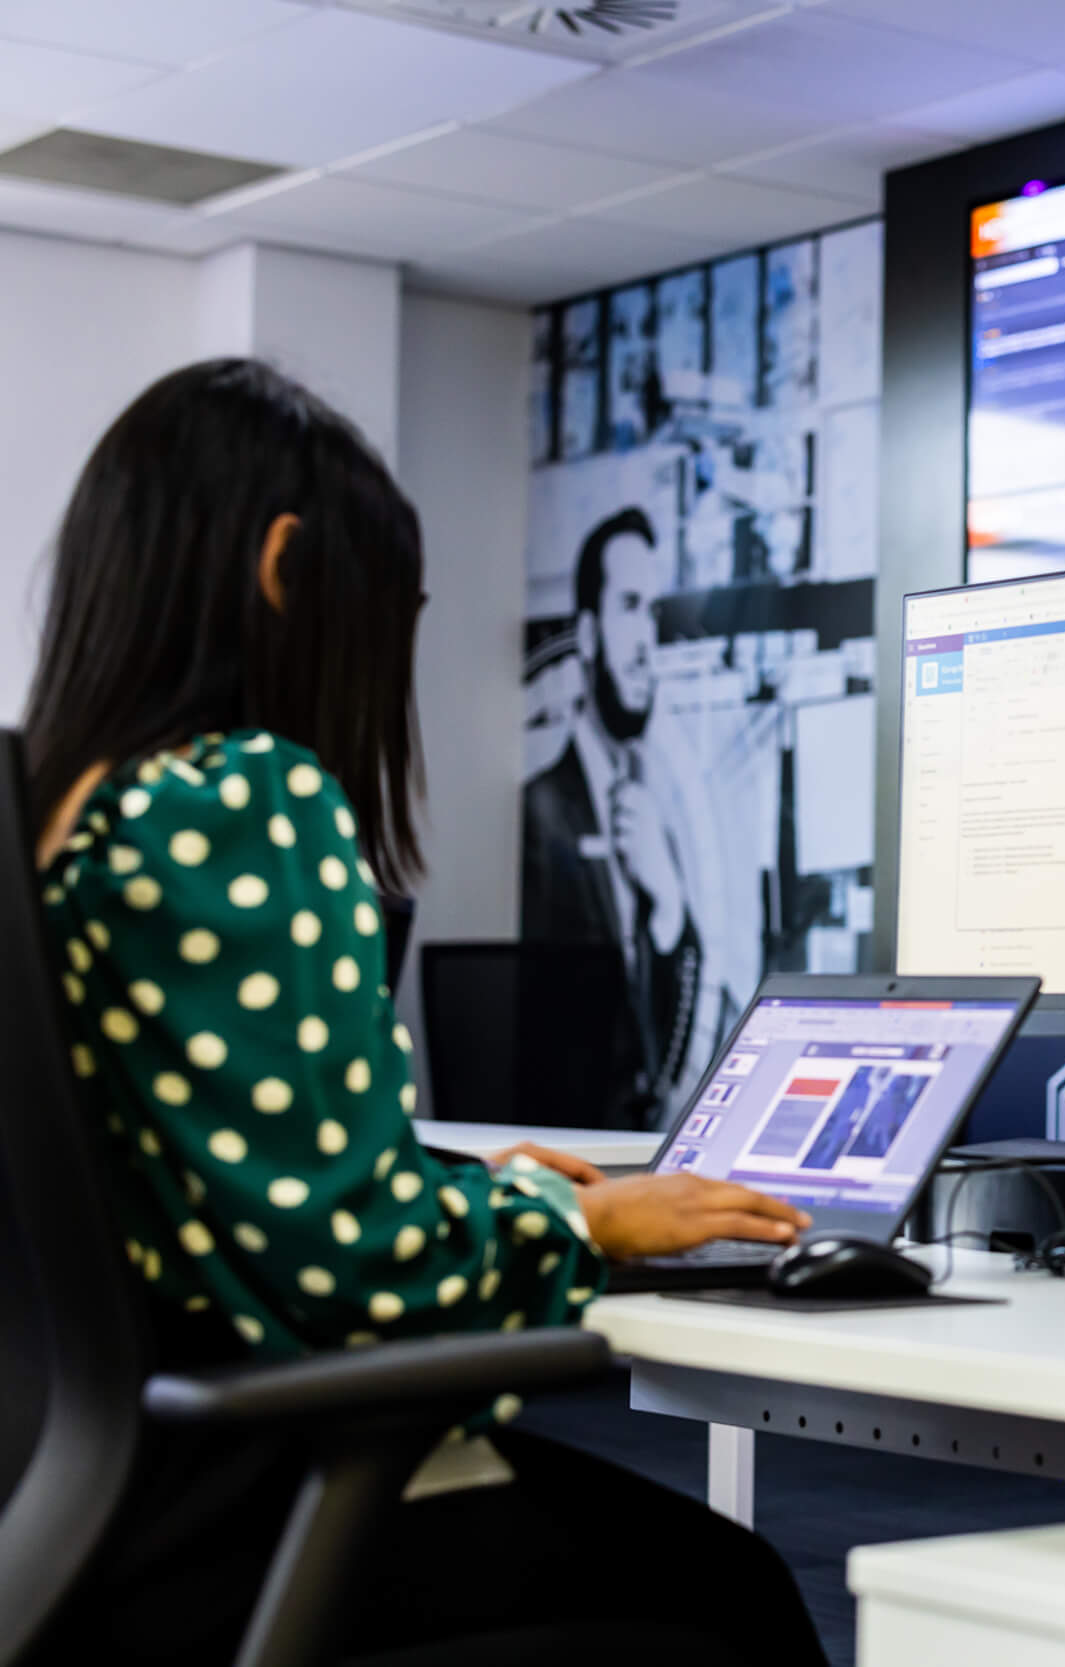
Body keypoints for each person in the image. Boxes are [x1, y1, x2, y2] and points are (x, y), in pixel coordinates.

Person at [21, 359, 829, 1665]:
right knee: (738, 1595)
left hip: (86, 1529)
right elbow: (362, 1268)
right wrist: (585, 1213)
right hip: (249, 1511)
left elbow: (211, 1188)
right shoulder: (238, 800)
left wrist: (453, 1176)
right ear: (288, 567)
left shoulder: (65, 818)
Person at [522, 506, 706, 1124]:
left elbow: (660, 1051)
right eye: (629, 606)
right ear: (590, 632)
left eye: (653, 611)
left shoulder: (652, 819)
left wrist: (669, 908)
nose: (646, 641)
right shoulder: (542, 811)